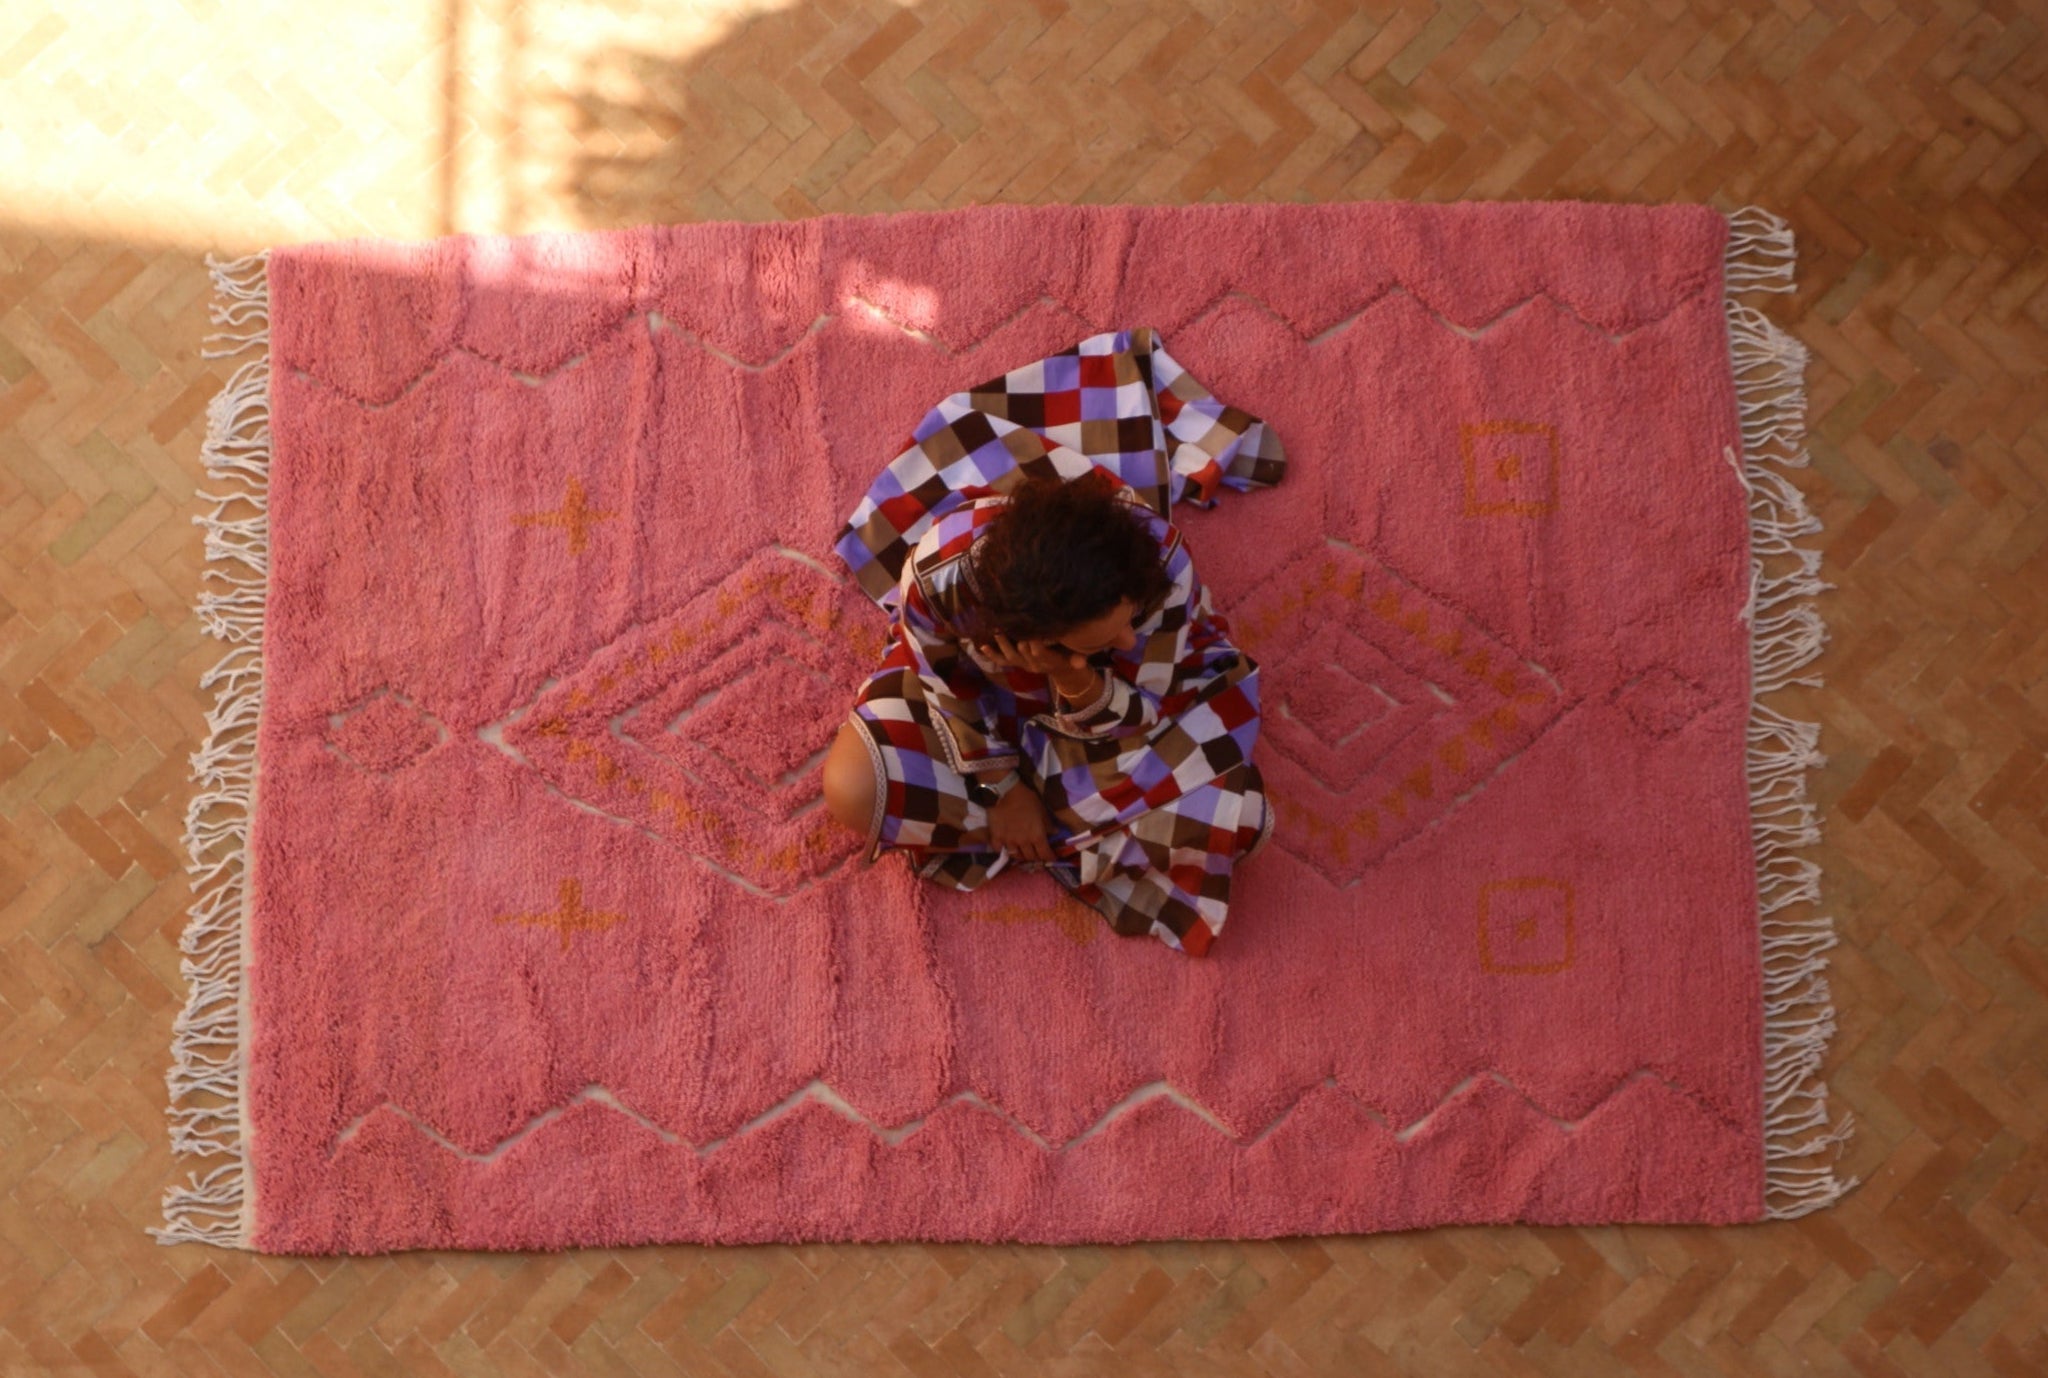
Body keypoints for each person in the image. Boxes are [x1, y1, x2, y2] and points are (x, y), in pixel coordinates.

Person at [823, 328, 1285, 955]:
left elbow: (1146, 704)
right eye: (1103, 635)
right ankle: (1075, 831)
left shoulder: (1162, 567)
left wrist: (1077, 680)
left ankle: (1056, 831)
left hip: (1116, 720)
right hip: (982, 707)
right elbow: (947, 692)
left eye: (1125, 622)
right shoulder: (938, 580)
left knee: (1237, 820)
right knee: (852, 789)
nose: (1125, 634)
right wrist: (1005, 790)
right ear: (1022, 627)